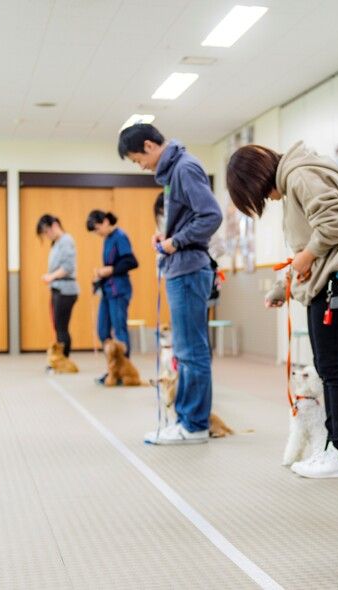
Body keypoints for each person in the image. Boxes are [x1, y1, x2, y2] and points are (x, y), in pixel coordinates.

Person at [227, 142, 338, 478]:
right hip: (325, 283)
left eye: (257, 195)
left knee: (333, 369)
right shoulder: (297, 176)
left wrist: (305, 257)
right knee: (329, 367)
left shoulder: (300, 175)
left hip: (334, 284)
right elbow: (307, 248)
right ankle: (337, 447)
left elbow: (332, 222)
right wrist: (282, 286)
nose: (267, 201)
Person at [117, 124, 222, 445]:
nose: (141, 166)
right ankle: (188, 420)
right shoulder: (174, 171)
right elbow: (192, 218)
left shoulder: (185, 168)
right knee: (186, 350)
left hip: (189, 269)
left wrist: (177, 241)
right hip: (181, 268)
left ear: (150, 146)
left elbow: (211, 216)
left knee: (191, 351)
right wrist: (167, 236)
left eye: (138, 159)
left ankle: (194, 425)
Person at [86, 209, 138, 383]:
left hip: (119, 289)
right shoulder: (107, 239)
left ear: (106, 221)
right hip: (108, 290)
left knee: (120, 331)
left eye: (97, 227)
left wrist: (111, 269)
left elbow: (130, 261)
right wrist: (99, 277)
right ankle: (113, 369)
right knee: (102, 330)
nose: (97, 232)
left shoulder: (120, 236)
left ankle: (124, 370)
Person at [36, 214, 79, 358]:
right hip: (58, 289)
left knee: (61, 328)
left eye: (46, 232)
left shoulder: (66, 241)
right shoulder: (57, 243)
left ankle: (63, 359)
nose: (47, 236)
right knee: (58, 327)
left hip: (66, 290)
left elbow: (68, 267)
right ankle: (60, 358)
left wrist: (51, 276)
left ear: (54, 226)